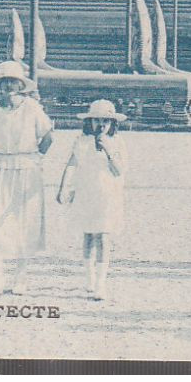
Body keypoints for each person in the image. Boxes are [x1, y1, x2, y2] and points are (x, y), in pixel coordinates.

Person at [0, 59, 54, 296]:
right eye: (3, 82)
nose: (8, 86)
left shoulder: (32, 108)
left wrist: (35, 157)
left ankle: (21, 276)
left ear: (21, 85)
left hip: (26, 167)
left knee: (24, 221)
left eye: (13, 82)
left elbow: (48, 137)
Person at [57, 99, 128, 301]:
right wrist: (64, 187)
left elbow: (119, 170)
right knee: (88, 235)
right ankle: (89, 278)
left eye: (106, 121)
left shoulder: (117, 142)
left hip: (108, 194)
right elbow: (72, 164)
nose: (102, 125)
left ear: (113, 123)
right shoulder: (82, 140)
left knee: (103, 236)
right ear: (90, 122)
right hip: (87, 192)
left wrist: (108, 150)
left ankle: (101, 283)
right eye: (97, 120)